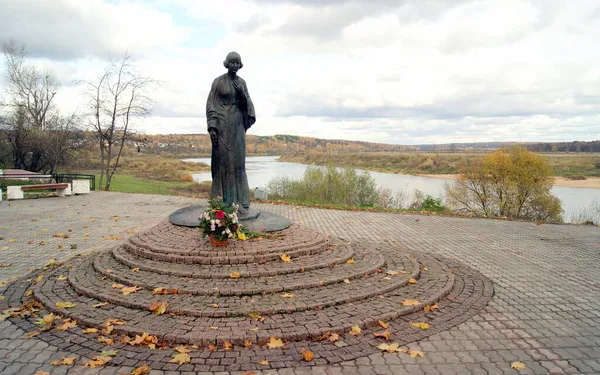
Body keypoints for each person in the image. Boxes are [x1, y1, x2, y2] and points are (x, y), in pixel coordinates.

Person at [206, 52, 256, 214]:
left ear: (240, 65)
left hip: (238, 126)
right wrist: (212, 126)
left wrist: (242, 94)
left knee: (239, 162)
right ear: (226, 63)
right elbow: (211, 104)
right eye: (232, 62)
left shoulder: (242, 83)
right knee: (223, 162)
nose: (234, 65)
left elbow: (249, 106)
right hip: (221, 126)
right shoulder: (218, 82)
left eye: (237, 62)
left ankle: (241, 201)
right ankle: (222, 201)